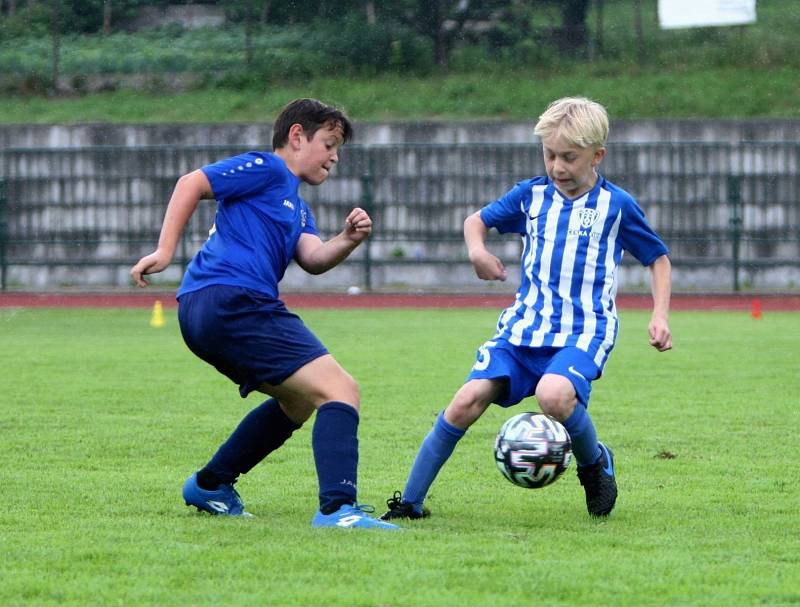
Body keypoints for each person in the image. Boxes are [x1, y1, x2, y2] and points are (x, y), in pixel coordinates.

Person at [382, 97, 672, 521]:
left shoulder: (616, 206)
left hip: (583, 329)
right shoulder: (531, 196)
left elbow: (657, 259)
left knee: (552, 395)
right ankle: (409, 503)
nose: (557, 167)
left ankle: (594, 465)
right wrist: (477, 251)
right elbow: (474, 222)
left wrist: (659, 314)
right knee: (465, 401)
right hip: (523, 328)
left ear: (598, 155)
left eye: (569, 157)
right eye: (550, 154)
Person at [131, 98, 398, 530]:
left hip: (206, 309)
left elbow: (312, 258)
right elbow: (190, 183)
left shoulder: (296, 206)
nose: (335, 156)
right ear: (296, 136)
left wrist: (348, 239)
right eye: (329, 143)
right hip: (234, 299)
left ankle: (211, 484)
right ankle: (338, 510)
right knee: (340, 391)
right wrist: (164, 252)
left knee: (296, 402)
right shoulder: (270, 168)